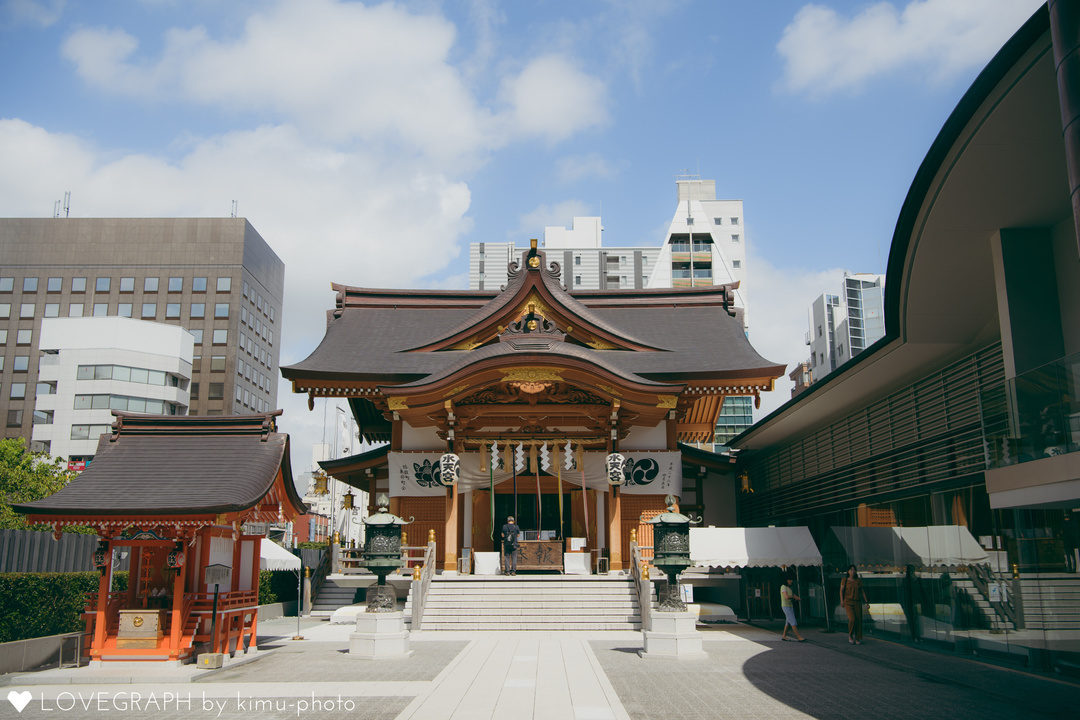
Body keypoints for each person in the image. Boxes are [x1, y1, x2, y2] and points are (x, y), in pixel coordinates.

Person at [840, 564, 869, 645]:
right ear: (848, 571)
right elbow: (841, 590)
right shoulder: (844, 580)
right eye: (851, 569)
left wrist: (866, 602)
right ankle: (850, 635)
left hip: (857, 602)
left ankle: (857, 638)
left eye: (854, 570)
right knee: (852, 619)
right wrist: (842, 601)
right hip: (848, 602)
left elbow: (862, 591)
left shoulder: (858, 581)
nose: (853, 571)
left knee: (858, 620)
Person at [780, 575, 806, 642]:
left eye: (791, 580)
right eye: (789, 580)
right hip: (786, 606)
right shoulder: (783, 587)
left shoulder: (789, 588)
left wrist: (795, 598)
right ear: (786, 580)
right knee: (793, 621)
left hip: (790, 606)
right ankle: (798, 637)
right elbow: (786, 597)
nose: (791, 581)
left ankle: (784, 636)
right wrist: (794, 597)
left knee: (788, 622)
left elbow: (789, 597)